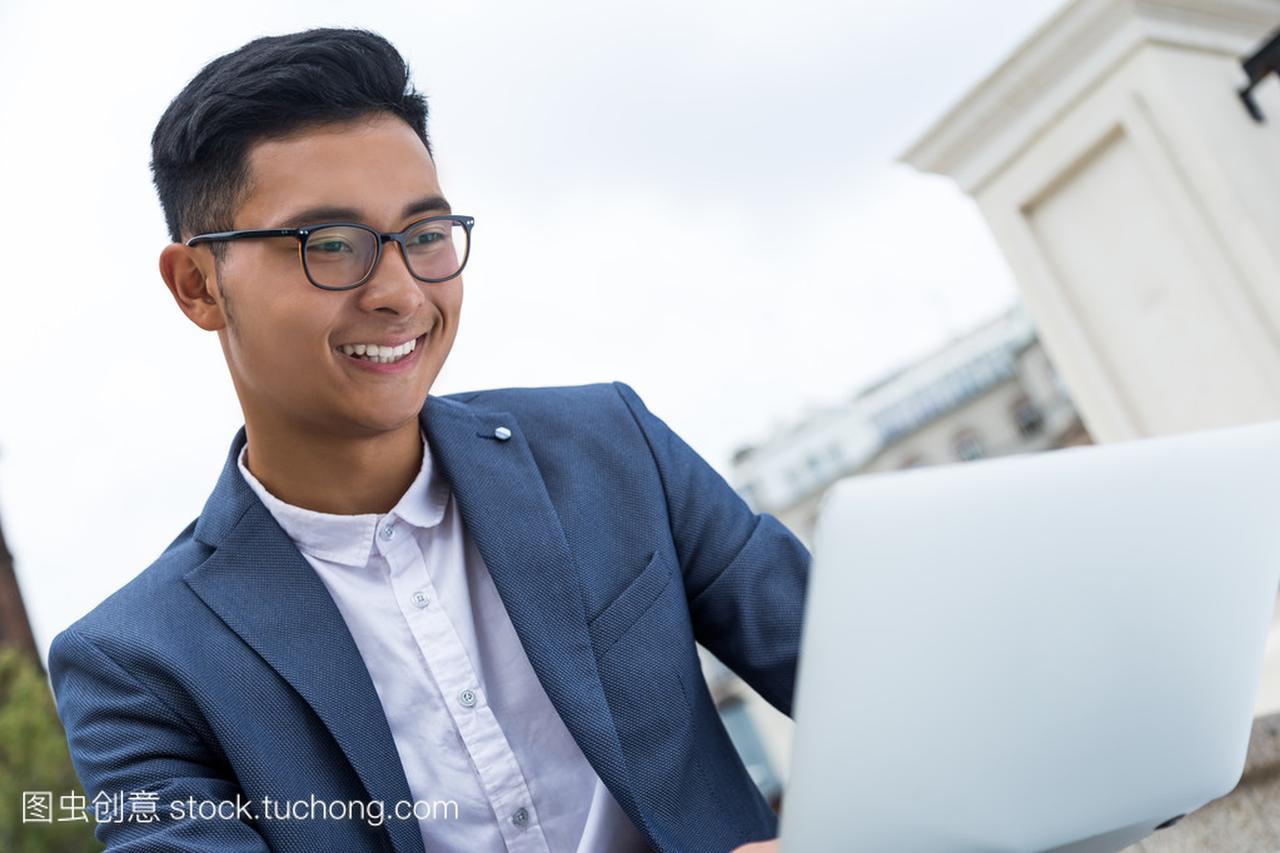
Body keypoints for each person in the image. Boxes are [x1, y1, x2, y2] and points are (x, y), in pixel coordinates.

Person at [47, 27, 807, 853]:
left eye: (425, 235)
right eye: (330, 246)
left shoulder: (613, 450)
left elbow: (886, 692)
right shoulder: (135, 666)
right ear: (198, 286)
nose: (401, 293)